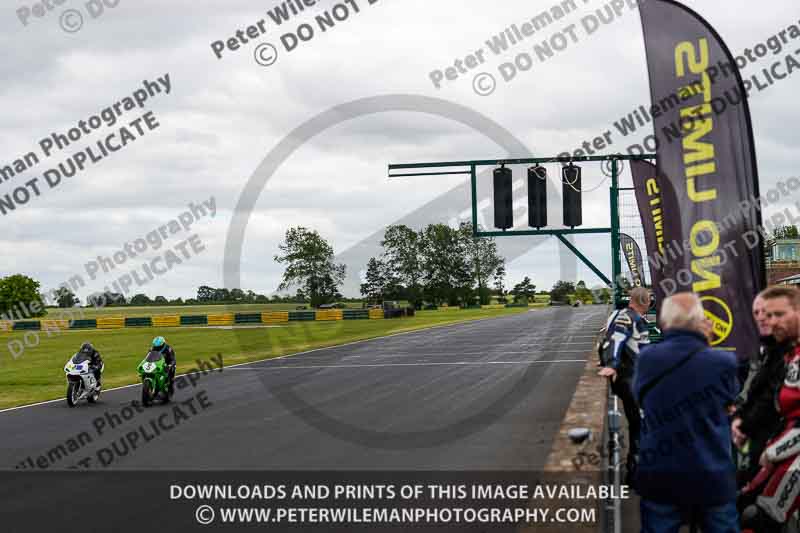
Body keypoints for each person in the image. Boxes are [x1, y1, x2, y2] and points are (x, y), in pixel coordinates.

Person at [633, 293, 739, 533]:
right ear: (700, 321)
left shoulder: (648, 358)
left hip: (660, 474)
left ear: (665, 322)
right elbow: (729, 402)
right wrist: (707, 343)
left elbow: (640, 397)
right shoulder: (724, 361)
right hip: (712, 474)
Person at [739, 286, 800, 532]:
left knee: (760, 518)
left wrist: (773, 452)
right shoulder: (788, 353)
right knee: (747, 507)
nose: (770, 321)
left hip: (790, 456)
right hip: (782, 449)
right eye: (766, 315)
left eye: (778, 314)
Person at [732, 290, 791, 490]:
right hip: (761, 437)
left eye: (772, 314)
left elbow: (772, 398)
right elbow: (756, 389)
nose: (762, 319)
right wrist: (741, 418)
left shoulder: (786, 352)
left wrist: (745, 424)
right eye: (757, 313)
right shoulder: (769, 348)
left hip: (778, 440)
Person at [598, 286, 651, 483]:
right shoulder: (629, 317)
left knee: (638, 424)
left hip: (629, 378)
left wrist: (606, 360)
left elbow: (607, 340)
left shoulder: (617, 315)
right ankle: (636, 473)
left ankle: (636, 471)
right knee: (641, 425)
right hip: (630, 378)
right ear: (645, 302)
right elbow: (618, 338)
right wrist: (611, 364)